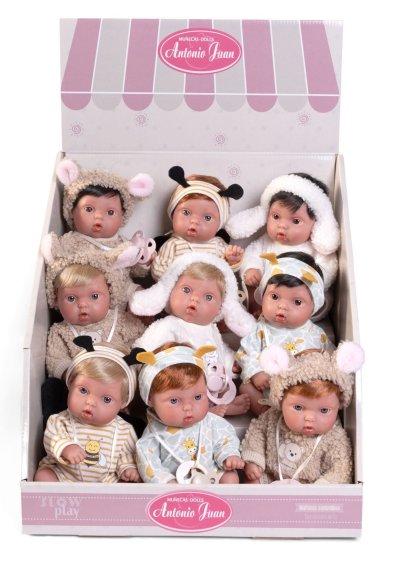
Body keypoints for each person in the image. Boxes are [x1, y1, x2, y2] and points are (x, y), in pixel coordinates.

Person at [130, 253, 256, 416]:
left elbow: (218, 351)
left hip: (209, 387)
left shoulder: (211, 329)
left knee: (217, 380)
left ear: (220, 308)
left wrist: (230, 363)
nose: (195, 299)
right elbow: (144, 350)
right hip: (179, 390)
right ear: (170, 292)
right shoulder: (168, 325)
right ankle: (207, 410)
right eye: (186, 290)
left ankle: (216, 404)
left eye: (208, 297)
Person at [42, 253, 145, 426]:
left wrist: (130, 383)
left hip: (119, 390)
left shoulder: (121, 320)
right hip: (82, 394)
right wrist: (70, 374)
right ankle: (62, 425)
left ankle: (128, 419)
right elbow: (55, 359)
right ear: (56, 300)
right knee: (52, 388)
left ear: (110, 294)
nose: (83, 304)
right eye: (71, 298)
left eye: (94, 296)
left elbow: (141, 343)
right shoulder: (60, 331)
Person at [241, 341, 364, 484]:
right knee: (252, 481)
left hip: (311, 488)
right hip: (271, 478)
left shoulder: (335, 437)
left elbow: (341, 468)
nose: (309, 418)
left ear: (339, 406)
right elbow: (257, 433)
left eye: (324, 410)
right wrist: (254, 460)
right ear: (281, 400)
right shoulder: (272, 417)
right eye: (298, 407)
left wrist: (324, 485)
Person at [41, 158, 155, 307]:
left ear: (122, 216)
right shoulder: (71, 241)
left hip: (122, 293)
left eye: (110, 212)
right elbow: (59, 265)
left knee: (141, 296)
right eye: (89, 209)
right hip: (85, 296)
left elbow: (135, 271)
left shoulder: (123, 243)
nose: (99, 217)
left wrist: (143, 261)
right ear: (72, 211)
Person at [225, 172, 340, 318]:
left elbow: (327, 270)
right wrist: (251, 269)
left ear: (315, 223)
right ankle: (260, 313)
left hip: (298, 300)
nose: (282, 226)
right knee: (253, 288)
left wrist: (309, 284)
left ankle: (295, 317)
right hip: (268, 298)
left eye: (296, 221)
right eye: (276, 217)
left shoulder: (316, 249)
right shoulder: (266, 241)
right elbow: (252, 254)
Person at [237, 252, 333, 415]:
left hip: (301, 391)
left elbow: (329, 358)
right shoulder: (260, 329)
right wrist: (256, 372)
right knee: (245, 388)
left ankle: (298, 411)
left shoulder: (317, 334)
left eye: (297, 302)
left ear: (314, 307)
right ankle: (266, 412)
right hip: (267, 387)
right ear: (263, 295)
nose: (282, 306)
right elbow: (245, 353)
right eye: (275, 297)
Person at [35, 337, 141, 483]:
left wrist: (128, 468)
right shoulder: (60, 420)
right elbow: (52, 438)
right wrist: (66, 447)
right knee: (44, 475)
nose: (90, 402)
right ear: (70, 385)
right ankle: (59, 496)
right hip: (64, 475)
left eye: (106, 399)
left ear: (123, 403)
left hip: (105, 482)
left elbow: (127, 454)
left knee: (126, 484)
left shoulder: (124, 430)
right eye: (83, 390)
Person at [135, 343, 244, 484]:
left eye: (197, 397)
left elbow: (225, 439)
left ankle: (223, 498)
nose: (188, 407)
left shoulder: (212, 422)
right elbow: (149, 464)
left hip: (210, 476)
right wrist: (167, 482)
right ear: (150, 399)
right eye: (174, 400)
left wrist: (228, 456)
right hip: (176, 483)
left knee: (230, 477)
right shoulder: (153, 435)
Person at [151, 165, 244, 280]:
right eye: (186, 212)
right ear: (173, 214)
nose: (194, 221)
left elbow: (227, 272)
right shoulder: (173, 245)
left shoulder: (219, 246)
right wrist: (177, 279)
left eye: (207, 218)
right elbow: (158, 270)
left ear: (219, 224)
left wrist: (232, 260)